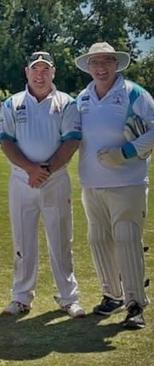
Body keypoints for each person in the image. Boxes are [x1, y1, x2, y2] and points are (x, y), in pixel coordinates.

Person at [0, 51, 85, 318]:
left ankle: (69, 297)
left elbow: (71, 142)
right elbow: (6, 142)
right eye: (36, 69)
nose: (40, 74)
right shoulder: (12, 103)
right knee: (23, 239)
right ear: (27, 72)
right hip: (22, 180)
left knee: (60, 239)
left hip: (55, 179)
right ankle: (22, 296)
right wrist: (30, 169)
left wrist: (44, 170)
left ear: (53, 73)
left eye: (46, 69)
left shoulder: (67, 103)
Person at [75, 42, 154, 329]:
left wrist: (127, 152)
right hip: (91, 183)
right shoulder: (83, 97)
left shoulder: (134, 93)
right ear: (89, 66)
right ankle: (112, 294)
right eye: (96, 61)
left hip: (127, 182)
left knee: (126, 239)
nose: (101, 67)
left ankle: (135, 304)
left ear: (116, 64)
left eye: (107, 61)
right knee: (98, 240)